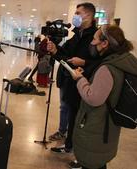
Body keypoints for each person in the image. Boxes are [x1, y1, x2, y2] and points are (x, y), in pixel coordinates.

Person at [70, 25, 137, 169]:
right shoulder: (123, 61)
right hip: (109, 125)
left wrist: (79, 79)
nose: (92, 43)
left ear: (104, 43)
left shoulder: (107, 68)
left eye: (94, 39)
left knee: (93, 164)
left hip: (97, 126)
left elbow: (93, 98)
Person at [47, 3, 103, 167]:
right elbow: (67, 58)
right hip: (72, 82)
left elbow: (103, 62)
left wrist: (85, 62)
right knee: (72, 117)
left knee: (82, 122)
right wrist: (55, 51)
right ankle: (69, 145)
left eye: (78, 13)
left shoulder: (96, 36)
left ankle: (82, 157)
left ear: (89, 16)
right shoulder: (76, 35)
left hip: (88, 84)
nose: (75, 16)